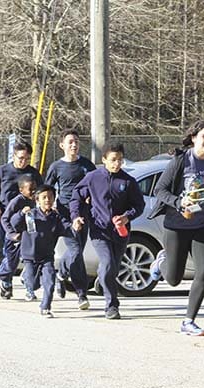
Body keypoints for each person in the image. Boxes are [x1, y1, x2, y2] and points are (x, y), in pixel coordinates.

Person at [148, 120, 204, 336]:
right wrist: (179, 202)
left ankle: (188, 321)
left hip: (202, 224)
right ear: (194, 138)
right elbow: (160, 190)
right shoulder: (181, 160)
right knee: (174, 279)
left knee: (203, 271)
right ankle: (162, 262)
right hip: (176, 225)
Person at [71, 142, 145, 320]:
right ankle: (111, 306)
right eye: (113, 160)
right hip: (99, 230)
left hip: (121, 232)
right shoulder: (92, 178)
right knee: (108, 263)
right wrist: (76, 217)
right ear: (104, 159)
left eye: (120, 160)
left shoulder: (128, 181)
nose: (117, 164)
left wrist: (127, 216)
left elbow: (139, 205)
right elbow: (76, 197)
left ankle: (103, 276)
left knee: (113, 267)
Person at [11, 185, 84, 317]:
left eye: (50, 197)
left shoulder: (56, 217)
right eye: (44, 197)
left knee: (49, 282)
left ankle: (45, 306)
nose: (47, 200)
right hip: (30, 256)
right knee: (33, 285)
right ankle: (27, 278)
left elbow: (67, 228)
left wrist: (75, 226)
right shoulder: (30, 215)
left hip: (47, 257)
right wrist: (21, 213)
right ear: (37, 199)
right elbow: (14, 224)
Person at [45, 129, 96, 308]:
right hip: (65, 213)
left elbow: (96, 184)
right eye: (70, 142)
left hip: (83, 212)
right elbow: (47, 188)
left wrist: (92, 197)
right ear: (62, 146)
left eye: (76, 141)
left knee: (78, 250)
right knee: (75, 250)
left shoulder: (86, 165)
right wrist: (49, 204)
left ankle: (61, 274)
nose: (74, 145)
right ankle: (82, 294)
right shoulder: (56, 167)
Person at [0, 141, 43, 297]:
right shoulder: (2, 171)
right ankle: (6, 281)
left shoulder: (33, 173)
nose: (23, 162)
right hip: (7, 217)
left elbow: (41, 192)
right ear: (14, 156)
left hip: (28, 218)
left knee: (31, 252)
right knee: (10, 252)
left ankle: (27, 280)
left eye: (27, 159)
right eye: (21, 158)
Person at [0, 174, 36, 300]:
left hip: (28, 237)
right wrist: (12, 234)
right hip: (14, 238)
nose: (33, 191)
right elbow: (5, 218)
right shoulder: (17, 201)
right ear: (21, 190)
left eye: (35, 188)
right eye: (30, 189)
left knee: (31, 261)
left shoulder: (36, 200)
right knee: (11, 264)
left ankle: (28, 284)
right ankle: (5, 280)